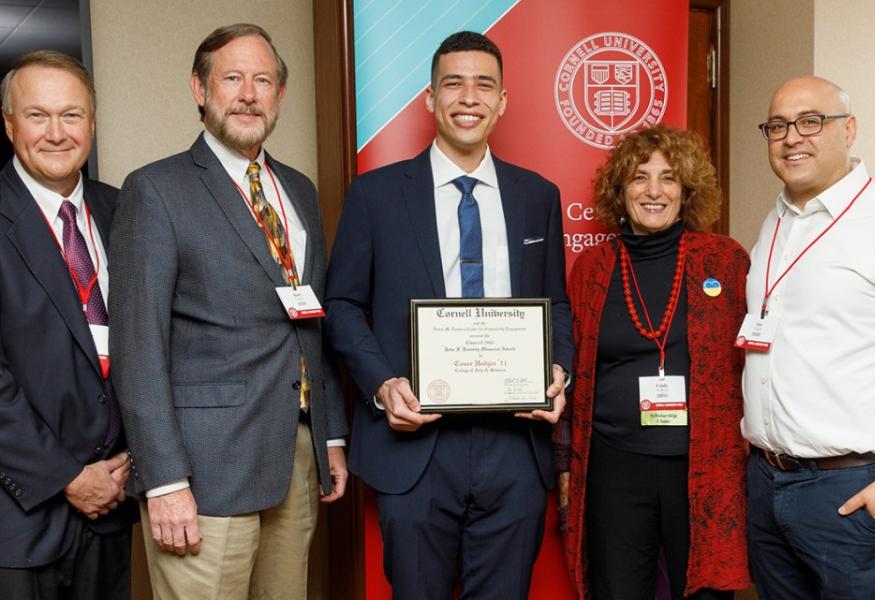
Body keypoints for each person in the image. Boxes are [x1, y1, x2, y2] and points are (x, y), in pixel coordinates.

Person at [324, 31, 573, 599]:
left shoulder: (538, 195)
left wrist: (559, 371)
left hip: (515, 445)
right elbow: (342, 306)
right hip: (414, 445)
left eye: (484, 85)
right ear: (430, 100)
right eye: (452, 84)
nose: (468, 97)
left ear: (503, 101)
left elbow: (556, 302)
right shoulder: (376, 194)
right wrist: (382, 385)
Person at [108, 23, 348, 599]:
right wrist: (163, 478)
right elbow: (138, 347)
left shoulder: (300, 190)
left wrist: (330, 436)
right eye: (232, 78)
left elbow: (309, 325)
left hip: (295, 456)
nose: (248, 93)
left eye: (262, 80)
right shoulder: (156, 190)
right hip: (204, 467)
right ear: (199, 88)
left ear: (279, 96)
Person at [556, 126, 751, 599]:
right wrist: (563, 460)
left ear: (686, 191)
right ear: (620, 192)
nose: (654, 191)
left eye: (668, 178)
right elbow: (573, 376)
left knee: (706, 589)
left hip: (704, 466)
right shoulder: (593, 269)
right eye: (640, 178)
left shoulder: (725, 261)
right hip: (614, 465)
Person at [742, 76, 875, 599]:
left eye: (812, 121)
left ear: (849, 130)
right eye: (778, 126)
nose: (793, 138)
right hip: (767, 484)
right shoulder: (775, 223)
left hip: (853, 491)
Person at [0, 50, 136, 599]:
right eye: (37, 115)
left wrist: (131, 461)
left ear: (93, 123)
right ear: (8, 124)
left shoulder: (124, 211)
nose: (56, 133)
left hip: (114, 506)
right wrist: (69, 478)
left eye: (72, 115)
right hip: (20, 519)